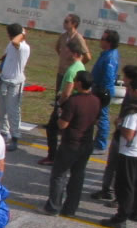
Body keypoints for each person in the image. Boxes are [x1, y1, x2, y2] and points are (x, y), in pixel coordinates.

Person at [100, 74, 137, 228]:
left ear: (136, 91)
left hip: (130, 153)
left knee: (124, 186)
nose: (128, 93)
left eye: (130, 89)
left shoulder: (133, 112)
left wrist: (120, 125)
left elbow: (128, 135)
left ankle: (121, 217)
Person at [43, 71, 100, 217]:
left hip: (71, 144)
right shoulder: (95, 100)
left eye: (75, 80)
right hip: (86, 143)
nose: (73, 82)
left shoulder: (73, 102)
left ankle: (53, 206)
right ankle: (70, 208)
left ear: (80, 83)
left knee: (59, 175)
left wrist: (59, 115)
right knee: (78, 176)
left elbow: (62, 125)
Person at [39, 38, 86, 166]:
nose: (64, 54)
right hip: (71, 102)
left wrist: (59, 104)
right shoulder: (80, 66)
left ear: (74, 53)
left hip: (64, 103)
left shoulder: (72, 70)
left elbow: (67, 92)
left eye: (67, 51)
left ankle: (52, 156)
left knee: (52, 129)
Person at [0, 23, 30, 152]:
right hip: (5, 80)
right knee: (2, 110)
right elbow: (5, 60)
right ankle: (3, 133)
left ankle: (15, 137)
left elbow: (16, 41)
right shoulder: (11, 45)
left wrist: (21, 34)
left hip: (15, 83)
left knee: (13, 111)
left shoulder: (24, 48)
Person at [91, 30, 120, 154]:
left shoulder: (110, 58)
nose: (100, 40)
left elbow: (108, 77)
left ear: (108, 42)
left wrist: (103, 93)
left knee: (102, 117)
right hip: (98, 88)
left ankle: (100, 145)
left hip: (103, 90)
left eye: (102, 38)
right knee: (97, 116)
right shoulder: (106, 54)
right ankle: (97, 140)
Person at [54, 13, 92, 94]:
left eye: (66, 21)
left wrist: (77, 64)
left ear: (74, 24)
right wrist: (63, 58)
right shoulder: (63, 36)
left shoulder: (78, 38)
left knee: (67, 95)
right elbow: (57, 48)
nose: (64, 23)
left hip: (71, 74)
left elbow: (88, 56)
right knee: (58, 95)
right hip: (61, 72)